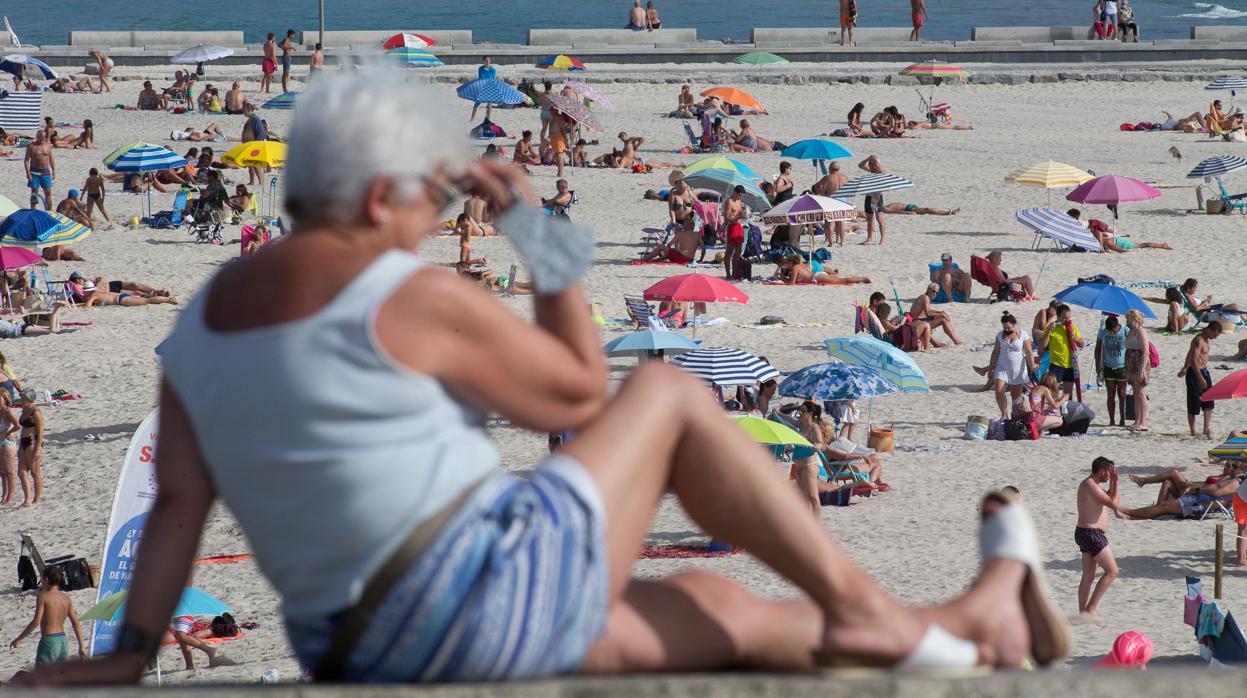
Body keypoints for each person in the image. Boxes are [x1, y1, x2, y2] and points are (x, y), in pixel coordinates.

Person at [10, 75, 1071, 687]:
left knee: (711, 603)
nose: (439, 216)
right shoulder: (393, 289)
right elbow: (575, 394)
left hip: (361, 641)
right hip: (468, 595)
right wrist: (535, 233)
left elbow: (180, 502)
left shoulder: (204, 317)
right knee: (662, 396)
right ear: (380, 194)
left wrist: (130, 655)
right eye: (432, 196)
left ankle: (974, 624)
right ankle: (864, 607)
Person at [8, 567, 85, 664]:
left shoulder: (43, 596)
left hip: (49, 641)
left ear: (47, 579)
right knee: (60, 675)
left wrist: (19, 639)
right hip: (62, 641)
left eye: (42, 579)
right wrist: (81, 646)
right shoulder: (66, 598)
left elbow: (36, 621)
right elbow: (75, 622)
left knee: (42, 676)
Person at [1075, 457, 1120, 623]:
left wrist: (1112, 484)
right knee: (1112, 571)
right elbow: (1114, 503)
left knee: (1088, 575)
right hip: (1091, 534)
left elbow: (1106, 497)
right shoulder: (1090, 486)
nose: (1111, 475)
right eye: (1110, 472)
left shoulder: (1091, 485)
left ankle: (1082, 614)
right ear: (1102, 471)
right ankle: (1090, 608)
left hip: (1084, 532)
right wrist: (1117, 482)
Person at [1119, 463, 1244, 520]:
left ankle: (1130, 513)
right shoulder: (1232, 479)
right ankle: (1134, 515)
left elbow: (1216, 492)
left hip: (1201, 503)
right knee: (1163, 502)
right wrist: (1193, 487)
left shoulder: (1235, 482)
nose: (1229, 467)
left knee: (1163, 505)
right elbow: (1212, 488)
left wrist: (1193, 488)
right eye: (1228, 465)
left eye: (1234, 466)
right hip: (1199, 498)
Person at [978, 313, 1036, 421]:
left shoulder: (1023, 335)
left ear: (1014, 325)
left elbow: (1028, 351)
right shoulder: (1000, 335)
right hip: (1002, 367)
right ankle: (1004, 415)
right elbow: (995, 352)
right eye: (1004, 328)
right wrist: (991, 367)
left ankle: (1015, 416)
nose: (1006, 330)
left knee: (1016, 396)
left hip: (1018, 368)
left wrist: (1032, 366)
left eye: (1009, 328)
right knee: (999, 391)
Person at [1178, 323, 1222, 438]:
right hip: (1195, 373)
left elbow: (1190, 353)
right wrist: (1197, 375)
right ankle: (1193, 431)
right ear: (1209, 330)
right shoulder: (1198, 340)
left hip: (1204, 371)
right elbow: (1193, 358)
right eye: (1214, 334)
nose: (1215, 337)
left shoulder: (1206, 340)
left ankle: (1206, 429)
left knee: (1209, 400)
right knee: (1194, 402)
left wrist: (1184, 367)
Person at [1040, 304, 1084, 398]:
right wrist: (1049, 331)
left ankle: (1066, 412)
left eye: (1069, 317)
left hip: (1071, 365)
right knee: (1053, 394)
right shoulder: (1051, 328)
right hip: (1056, 365)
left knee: (1067, 395)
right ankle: (1054, 412)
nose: (1067, 320)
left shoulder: (1072, 327)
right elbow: (1042, 346)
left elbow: (1081, 344)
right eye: (1064, 318)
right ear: (1058, 316)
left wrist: (1074, 337)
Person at [1096, 315, 1129, 427]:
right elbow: (1098, 347)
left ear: (1117, 325)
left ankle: (1122, 420)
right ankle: (1112, 420)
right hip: (1108, 367)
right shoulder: (1103, 331)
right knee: (1110, 394)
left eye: (1113, 330)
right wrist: (1097, 366)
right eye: (1110, 331)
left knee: (1122, 394)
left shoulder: (1125, 330)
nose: (1112, 333)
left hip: (1122, 367)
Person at [1121, 309, 1151, 431]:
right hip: (1131, 363)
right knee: (1135, 393)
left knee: (1141, 393)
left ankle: (1143, 422)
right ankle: (1137, 420)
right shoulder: (1131, 331)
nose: (1127, 321)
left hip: (1140, 363)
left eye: (1128, 319)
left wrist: (1141, 370)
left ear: (1135, 319)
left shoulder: (1141, 332)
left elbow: (1145, 353)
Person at [876, 301, 940, 351]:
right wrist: (898, 325)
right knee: (926, 325)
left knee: (918, 322)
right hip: (902, 340)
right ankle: (926, 348)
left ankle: (923, 345)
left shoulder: (880, 321)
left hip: (899, 338)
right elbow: (896, 329)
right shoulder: (885, 322)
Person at [16, 388, 42, 507]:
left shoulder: (35, 412)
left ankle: (37, 498)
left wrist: (38, 448)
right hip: (23, 441)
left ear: (28, 398)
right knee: (21, 472)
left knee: (35, 472)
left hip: (32, 441)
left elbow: (40, 431)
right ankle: (27, 499)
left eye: (23, 398)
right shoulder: (24, 410)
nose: (21, 400)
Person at [812, 161, 849, 245]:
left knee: (830, 221)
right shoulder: (845, 177)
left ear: (830, 169)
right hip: (843, 200)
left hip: (831, 199)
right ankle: (842, 241)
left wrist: (821, 193)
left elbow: (816, 186)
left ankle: (830, 242)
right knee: (841, 221)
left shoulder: (828, 178)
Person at [775, 254, 871, 286]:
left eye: (787, 264)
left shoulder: (795, 268)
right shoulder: (800, 265)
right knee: (838, 279)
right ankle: (836, 274)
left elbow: (791, 283)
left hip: (817, 277)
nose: (786, 267)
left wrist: (782, 278)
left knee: (843, 281)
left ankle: (863, 279)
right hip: (817, 274)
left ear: (791, 263)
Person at [858, 155, 887, 245]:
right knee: (869, 218)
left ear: (875, 164)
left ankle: (882, 239)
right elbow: (860, 165)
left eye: (870, 164)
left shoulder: (880, 170)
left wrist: (876, 161)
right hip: (869, 196)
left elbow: (882, 170)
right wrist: (868, 158)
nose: (868, 165)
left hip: (877, 196)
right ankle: (869, 238)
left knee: (879, 218)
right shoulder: (871, 170)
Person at [24, 130, 54, 210]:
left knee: (48, 192)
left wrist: (54, 170)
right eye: (41, 137)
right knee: (34, 193)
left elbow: (51, 159)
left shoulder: (48, 146)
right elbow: (26, 160)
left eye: (43, 138)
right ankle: (33, 210)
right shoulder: (31, 146)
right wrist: (28, 173)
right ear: (37, 137)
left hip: (45, 172)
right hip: (34, 172)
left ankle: (49, 211)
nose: (42, 139)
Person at [722, 185, 747, 280]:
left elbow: (739, 214)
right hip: (732, 227)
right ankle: (728, 274)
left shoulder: (739, 201)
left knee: (738, 251)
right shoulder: (729, 202)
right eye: (739, 195)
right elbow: (727, 218)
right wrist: (738, 216)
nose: (740, 197)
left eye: (741, 196)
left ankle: (734, 273)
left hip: (739, 226)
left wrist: (743, 213)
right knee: (729, 251)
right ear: (735, 192)